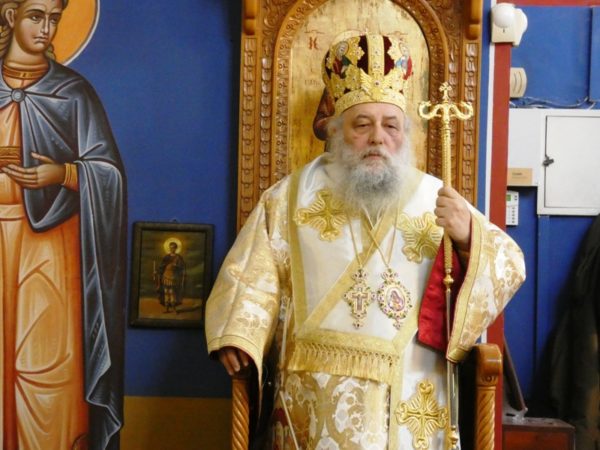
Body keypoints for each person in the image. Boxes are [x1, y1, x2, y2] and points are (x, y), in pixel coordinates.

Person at [205, 33, 525, 449]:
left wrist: (467, 238)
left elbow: (508, 265)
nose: (377, 137)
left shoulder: (437, 198)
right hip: (310, 399)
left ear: (405, 133)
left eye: (390, 125)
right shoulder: (290, 198)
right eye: (362, 124)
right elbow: (254, 274)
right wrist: (239, 333)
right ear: (337, 130)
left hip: (410, 389)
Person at [0, 1, 126, 449]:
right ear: (10, 16)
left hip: (51, 244)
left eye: (54, 18)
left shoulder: (73, 93)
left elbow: (108, 173)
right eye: (36, 16)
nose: (47, 28)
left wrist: (64, 173)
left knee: (46, 366)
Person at [157, 241, 186, 313]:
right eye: (170, 248)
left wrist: (176, 266)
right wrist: (158, 272)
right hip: (165, 276)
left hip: (174, 277)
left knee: (172, 292)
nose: (171, 249)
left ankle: (173, 308)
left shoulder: (178, 257)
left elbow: (182, 268)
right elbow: (162, 267)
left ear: (176, 248)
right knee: (166, 292)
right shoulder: (166, 257)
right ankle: (167, 308)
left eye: (173, 248)